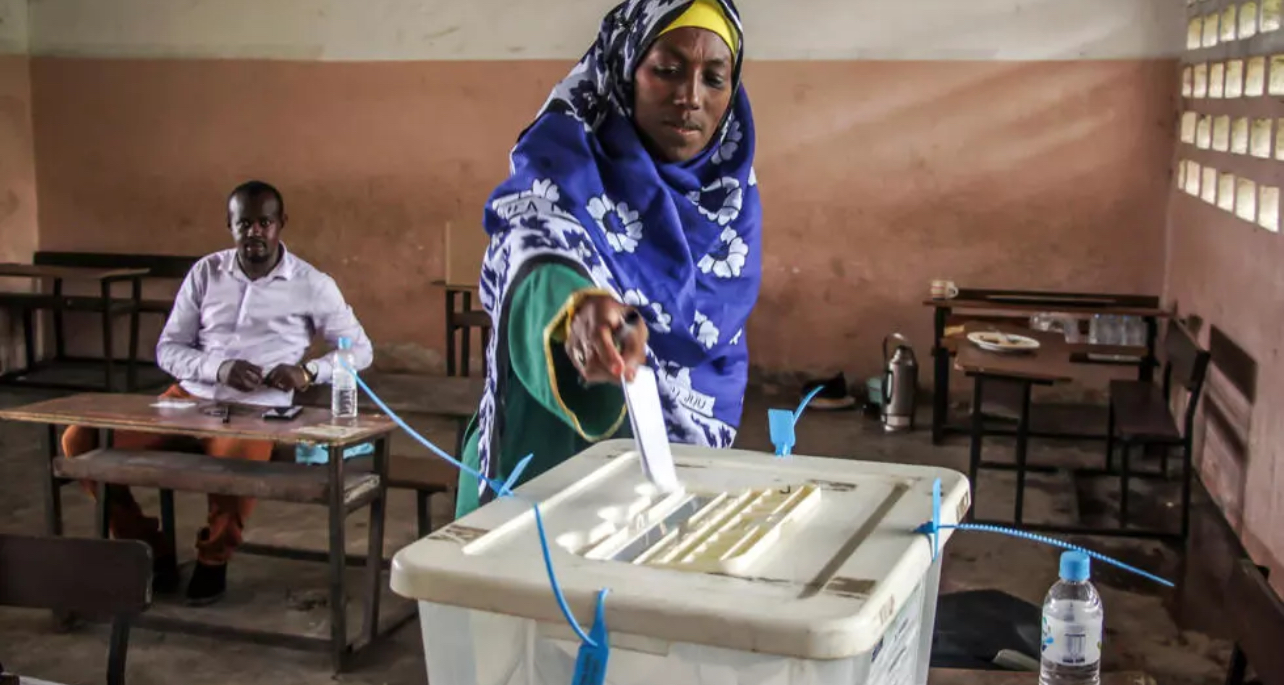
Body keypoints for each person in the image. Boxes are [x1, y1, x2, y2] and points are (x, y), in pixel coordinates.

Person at [456, 0, 760, 516]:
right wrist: (579, 308)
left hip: (664, 498)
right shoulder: (562, 167)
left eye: (714, 78)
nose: (690, 97)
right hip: (538, 488)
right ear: (624, 68)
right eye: (667, 70)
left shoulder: (729, 202)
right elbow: (533, 245)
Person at [60, 180, 374, 605]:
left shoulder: (312, 283)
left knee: (235, 468)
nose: (254, 232)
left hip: (255, 410)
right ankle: (147, 546)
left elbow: (361, 350)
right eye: (244, 223)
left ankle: (214, 557)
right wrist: (218, 368)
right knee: (81, 441)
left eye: (265, 222)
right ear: (230, 225)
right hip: (186, 399)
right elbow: (168, 348)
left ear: (282, 223)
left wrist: (307, 371)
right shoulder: (206, 272)